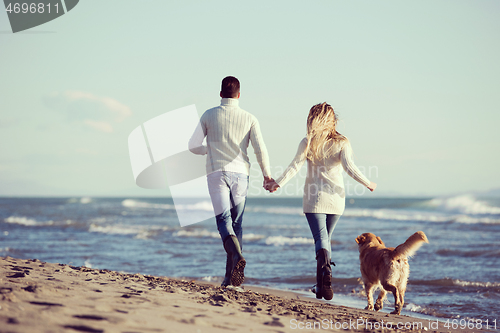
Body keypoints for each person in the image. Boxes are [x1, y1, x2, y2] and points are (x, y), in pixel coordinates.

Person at [264, 102, 376, 300]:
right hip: (336, 201)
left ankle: (325, 275)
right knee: (324, 240)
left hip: (314, 199)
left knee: (321, 240)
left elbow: (294, 167)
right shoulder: (342, 142)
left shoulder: (308, 142)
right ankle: (322, 287)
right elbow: (350, 168)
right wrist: (368, 182)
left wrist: (276, 184)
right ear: (332, 120)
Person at [189, 76, 274, 287]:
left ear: (220, 94)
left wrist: (208, 149)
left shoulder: (209, 115)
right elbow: (259, 148)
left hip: (216, 173)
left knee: (223, 221)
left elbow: (192, 145)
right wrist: (267, 175)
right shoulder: (250, 118)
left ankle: (234, 264)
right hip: (241, 175)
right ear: (239, 95)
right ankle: (230, 277)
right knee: (237, 225)